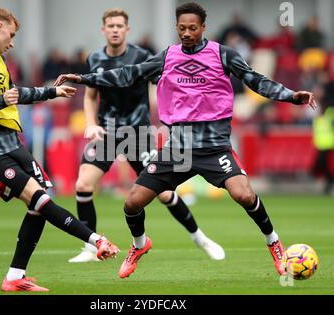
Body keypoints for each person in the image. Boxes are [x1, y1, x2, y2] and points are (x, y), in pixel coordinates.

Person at [55, 2, 317, 278]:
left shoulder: (223, 54)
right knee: (132, 203)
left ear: (203, 27)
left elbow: (255, 79)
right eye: (182, 28)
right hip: (177, 149)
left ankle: (273, 242)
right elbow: (127, 74)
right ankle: (139, 245)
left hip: (213, 147)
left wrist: (290, 95)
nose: (187, 33)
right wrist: (84, 78)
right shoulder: (168, 56)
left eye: (193, 28)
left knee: (244, 194)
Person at [0, 7, 118, 292]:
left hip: (12, 143)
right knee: (38, 198)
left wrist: (52, 92)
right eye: (11, 34)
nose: (12, 42)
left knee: (40, 201)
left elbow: (16, 94)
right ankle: (96, 240)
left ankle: (15, 276)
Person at [68, 8, 224, 263]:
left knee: (163, 193)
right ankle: (91, 247)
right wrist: (90, 123)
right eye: (111, 26)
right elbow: (90, 95)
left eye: (120, 26)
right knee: (83, 184)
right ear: (103, 30)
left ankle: (199, 237)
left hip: (137, 134)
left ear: (127, 30)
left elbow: (165, 86)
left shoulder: (142, 56)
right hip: (108, 132)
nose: (115, 30)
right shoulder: (94, 58)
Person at [311, 104, 334, 194]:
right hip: (321, 145)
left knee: (323, 164)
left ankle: (331, 180)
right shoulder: (318, 120)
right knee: (323, 164)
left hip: (329, 144)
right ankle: (330, 180)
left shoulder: (330, 116)